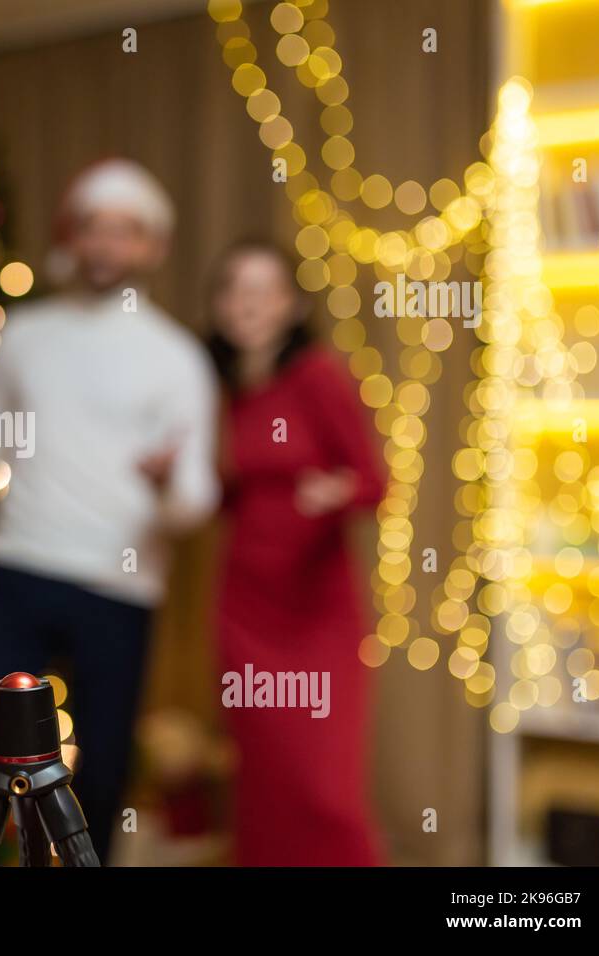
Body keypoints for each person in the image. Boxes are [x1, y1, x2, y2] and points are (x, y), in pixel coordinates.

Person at [0, 159, 220, 863]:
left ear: (154, 247)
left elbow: (195, 503)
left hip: (119, 584)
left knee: (101, 769)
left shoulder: (177, 359)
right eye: (94, 229)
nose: (108, 246)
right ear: (73, 237)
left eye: (127, 232)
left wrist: (170, 481)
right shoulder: (25, 333)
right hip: (20, 566)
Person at [205, 239, 386, 866]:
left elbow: (374, 481)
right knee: (264, 781)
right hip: (246, 608)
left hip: (315, 610)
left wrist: (335, 489)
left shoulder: (318, 377)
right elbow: (229, 498)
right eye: (235, 289)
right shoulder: (223, 390)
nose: (247, 303)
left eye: (264, 290)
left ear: (291, 305)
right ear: (222, 305)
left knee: (324, 788)